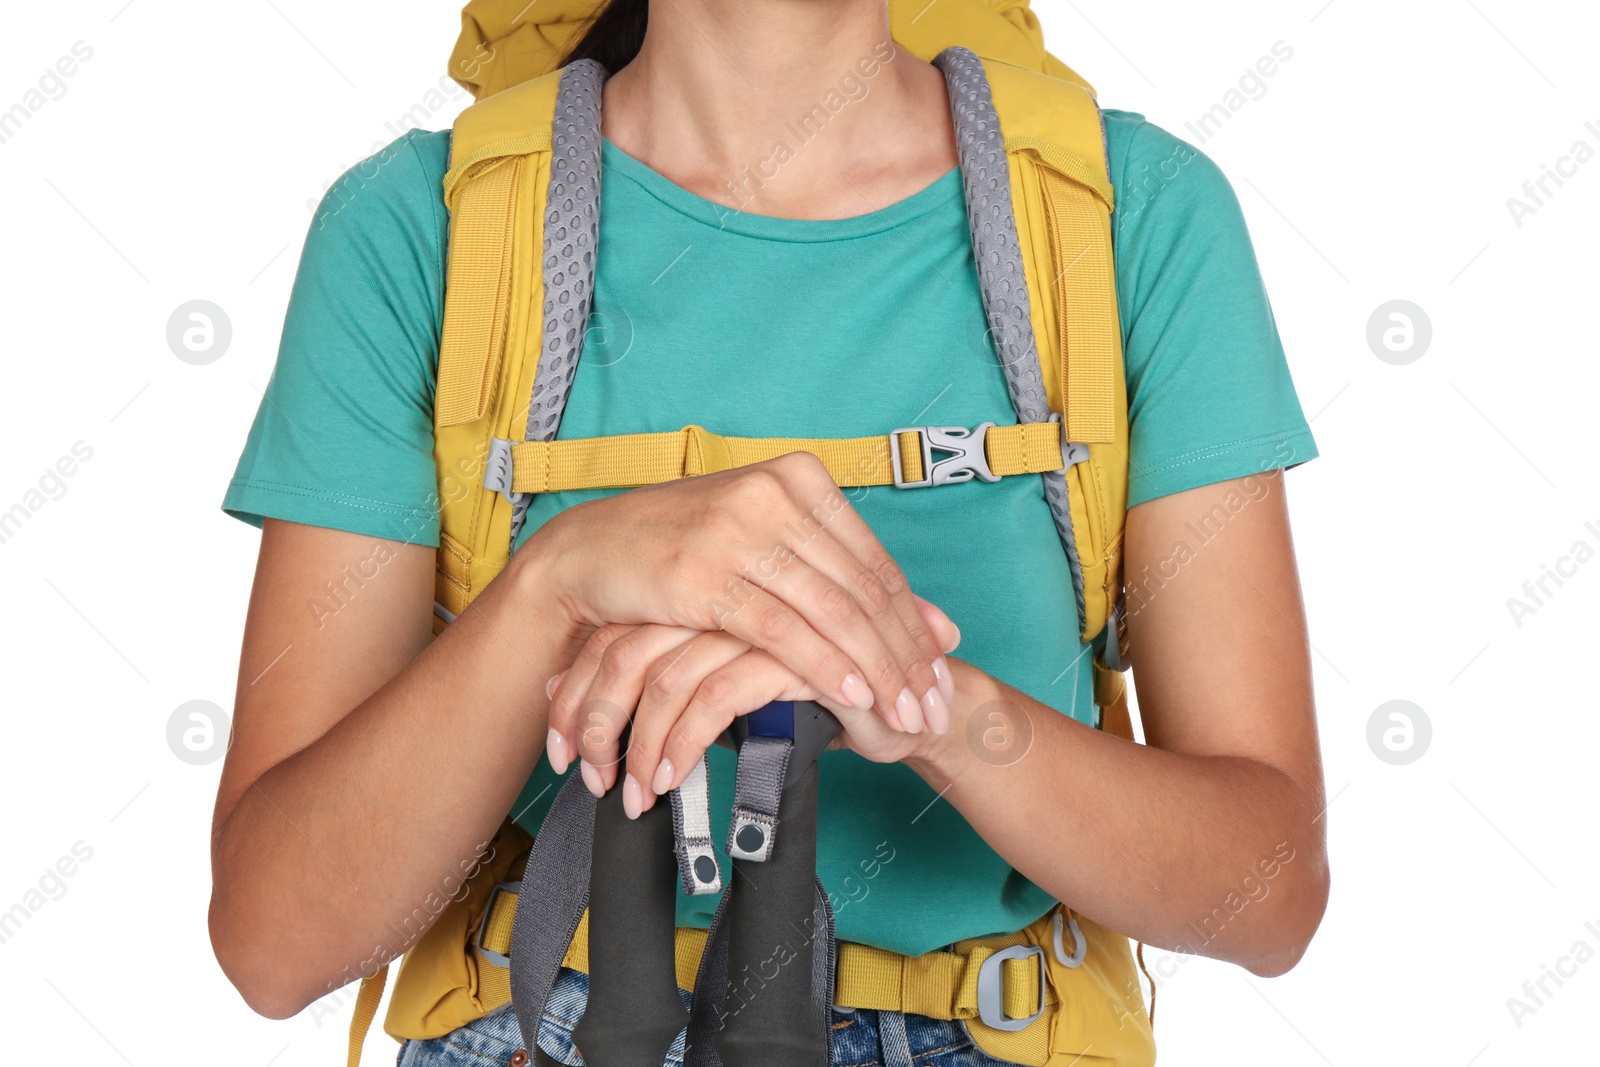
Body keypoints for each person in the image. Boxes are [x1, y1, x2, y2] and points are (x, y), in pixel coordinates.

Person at [208, 1, 1330, 1064]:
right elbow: (276, 939)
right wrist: (556, 585)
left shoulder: (1131, 216)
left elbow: (1268, 894)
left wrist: (916, 695)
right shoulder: (423, 231)